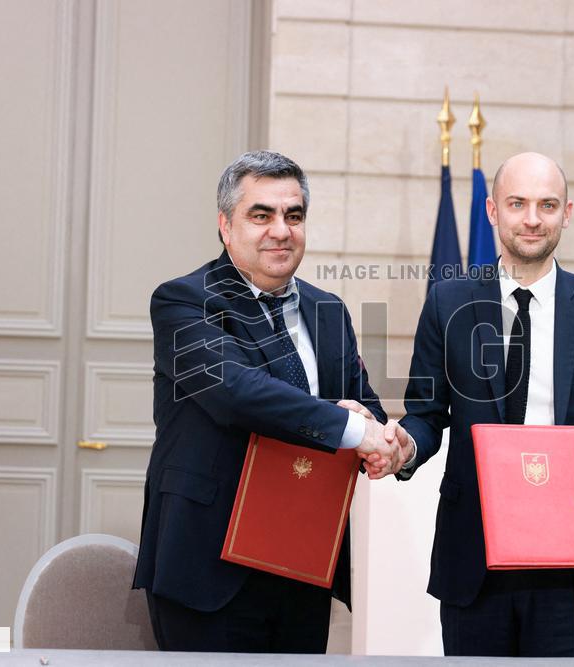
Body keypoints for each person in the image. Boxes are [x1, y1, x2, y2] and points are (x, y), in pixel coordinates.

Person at [133, 150, 409, 653]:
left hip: (304, 564)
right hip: (207, 568)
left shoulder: (328, 311)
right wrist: (348, 426)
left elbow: (365, 406)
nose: (281, 230)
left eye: (294, 215)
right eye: (261, 215)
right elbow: (237, 393)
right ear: (225, 224)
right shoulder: (182, 301)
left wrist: (392, 442)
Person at [388, 152, 574, 657]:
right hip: (475, 558)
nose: (532, 218)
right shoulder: (448, 303)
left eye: (547, 205)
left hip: (571, 558)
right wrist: (403, 447)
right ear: (493, 211)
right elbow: (426, 413)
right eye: (518, 204)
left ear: (567, 212)